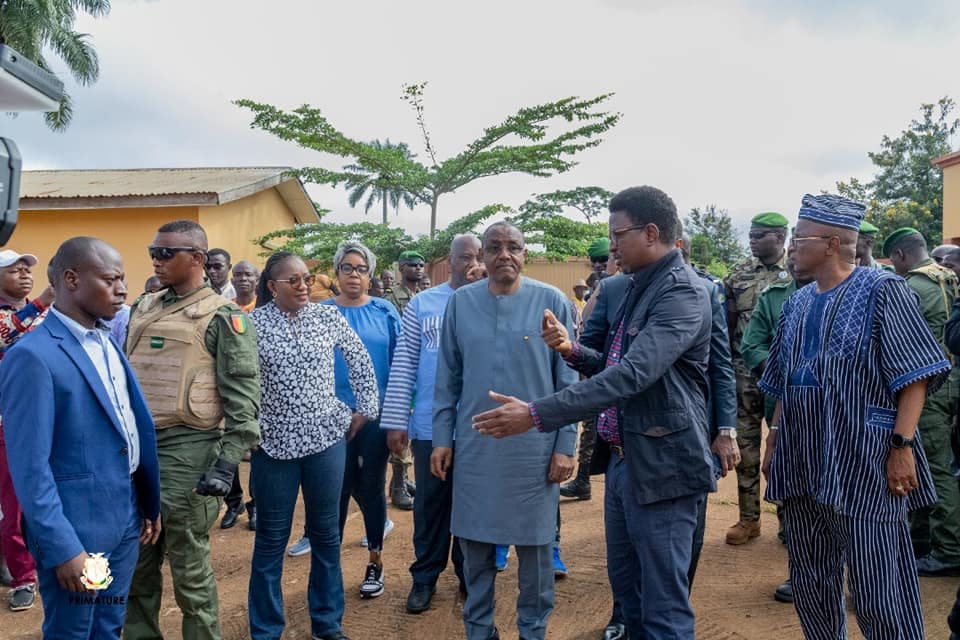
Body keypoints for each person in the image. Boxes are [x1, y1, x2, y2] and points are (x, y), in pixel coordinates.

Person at [472, 188, 715, 640]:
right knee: (630, 592)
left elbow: (633, 376)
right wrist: (572, 350)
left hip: (664, 466)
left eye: (617, 234)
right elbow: (619, 365)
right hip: (627, 459)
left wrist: (537, 414)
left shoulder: (681, 292)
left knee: (663, 605)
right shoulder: (640, 287)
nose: (612, 245)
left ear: (651, 232)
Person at [759, 194, 948, 640]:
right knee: (810, 582)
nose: (791, 248)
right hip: (804, 459)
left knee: (879, 591)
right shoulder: (796, 303)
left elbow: (915, 377)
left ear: (830, 243)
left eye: (799, 238)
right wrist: (775, 437)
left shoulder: (884, 291)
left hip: (865, 461)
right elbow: (786, 378)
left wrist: (901, 449)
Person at [0, 237, 162, 638]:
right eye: (111, 279)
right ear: (71, 280)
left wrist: (145, 502)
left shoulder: (106, 341)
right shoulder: (33, 356)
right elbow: (30, 467)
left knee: (108, 624)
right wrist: (63, 546)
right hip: (78, 531)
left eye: (123, 278)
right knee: (75, 630)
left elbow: (126, 426)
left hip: (124, 520)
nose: (123, 288)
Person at [432, 222, 578, 640]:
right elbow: (447, 380)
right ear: (483, 256)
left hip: (534, 450)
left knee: (535, 554)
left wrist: (564, 445)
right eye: (494, 247)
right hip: (476, 448)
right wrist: (442, 439)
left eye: (513, 247)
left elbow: (568, 383)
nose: (504, 255)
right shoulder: (460, 304)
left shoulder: (551, 302)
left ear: (525, 253)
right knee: (475, 548)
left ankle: (533, 631)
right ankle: (479, 630)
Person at [124, 220, 261, 640]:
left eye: (167, 253)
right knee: (135, 567)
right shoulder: (141, 307)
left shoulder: (224, 318)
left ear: (198, 259)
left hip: (189, 451)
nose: (156, 259)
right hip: (134, 453)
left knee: (189, 570)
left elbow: (243, 403)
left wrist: (225, 465)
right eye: (154, 251)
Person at [247, 251, 377, 640]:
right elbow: (237, 380)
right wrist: (247, 428)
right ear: (272, 287)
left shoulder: (326, 316)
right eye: (293, 281)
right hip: (273, 445)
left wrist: (365, 408)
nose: (304, 286)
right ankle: (266, 630)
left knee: (325, 535)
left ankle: (326, 623)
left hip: (325, 440)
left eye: (307, 278)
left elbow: (360, 360)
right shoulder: (251, 325)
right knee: (271, 538)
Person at [381, 234, 481, 613]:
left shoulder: (496, 302)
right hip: (429, 427)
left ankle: (471, 577)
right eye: (464, 258)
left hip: (479, 428)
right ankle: (425, 576)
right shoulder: (424, 303)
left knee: (473, 506)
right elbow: (404, 364)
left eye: (477, 257)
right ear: (449, 263)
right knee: (430, 505)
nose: (471, 264)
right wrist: (396, 422)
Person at [324, 241, 400, 599]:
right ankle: (330, 568)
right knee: (336, 490)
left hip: (376, 416)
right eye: (347, 268)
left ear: (371, 275)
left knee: (370, 486)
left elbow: (402, 365)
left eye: (361, 269)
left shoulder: (385, 312)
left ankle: (375, 560)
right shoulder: (320, 313)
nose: (354, 275)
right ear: (336, 273)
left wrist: (403, 415)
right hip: (329, 418)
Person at [740, 237, 813, 605]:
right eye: (794, 251)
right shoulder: (777, 298)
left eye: (802, 248)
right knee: (790, 472)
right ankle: (796, 544)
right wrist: (781, 370)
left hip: (841, 411)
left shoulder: (864, 291)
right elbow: (751, 345)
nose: (795, 258)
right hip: (783, 400)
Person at [883, 227, 960, 575]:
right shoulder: (948, 275)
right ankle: (924, 539)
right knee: (942, 463)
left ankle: (946, 548)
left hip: (926, 386)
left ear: (898, 256)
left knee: (934, 466)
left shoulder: (909, 287)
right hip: (952, 381)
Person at [723, 211, 790, 545]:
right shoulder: (737, 274)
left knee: (785, 446)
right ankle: (748, 519)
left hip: (783, 377)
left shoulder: (799, 273)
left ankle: (787, 520)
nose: (752, 239)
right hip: (745, 375)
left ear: (780, 237)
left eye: (760, 234)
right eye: (750, 233)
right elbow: (728, 324)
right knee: (746, 449)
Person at [0, 249, 54, 612]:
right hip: (8, 424)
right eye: (13, 270)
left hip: (52, 420)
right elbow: (5, 333)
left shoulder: (52, 316)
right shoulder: (21, 315)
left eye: (27, 269)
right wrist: (42, 300)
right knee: (12, 507)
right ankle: (23, 577)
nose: (24, 274)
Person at [220, 260, 261, 531]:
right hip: (229, 388)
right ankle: (233, 502)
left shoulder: (265, 309)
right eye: (239, 274)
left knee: (258, 448)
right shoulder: (224, 310)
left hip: (259, 390)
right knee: (228, 444)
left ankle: (256, 504)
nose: (243, 278)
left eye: (248, 274)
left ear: (257, 279)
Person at [384, 252, 424, 509]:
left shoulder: (420, 295)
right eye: (412, 265)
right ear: (401, 268)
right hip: (401, 368)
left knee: (414, 424)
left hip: (420, 368)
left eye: (421, 265)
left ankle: (403, 480)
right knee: (401, 424)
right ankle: (398, 485)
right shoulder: (391, 298)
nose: (418, 269)